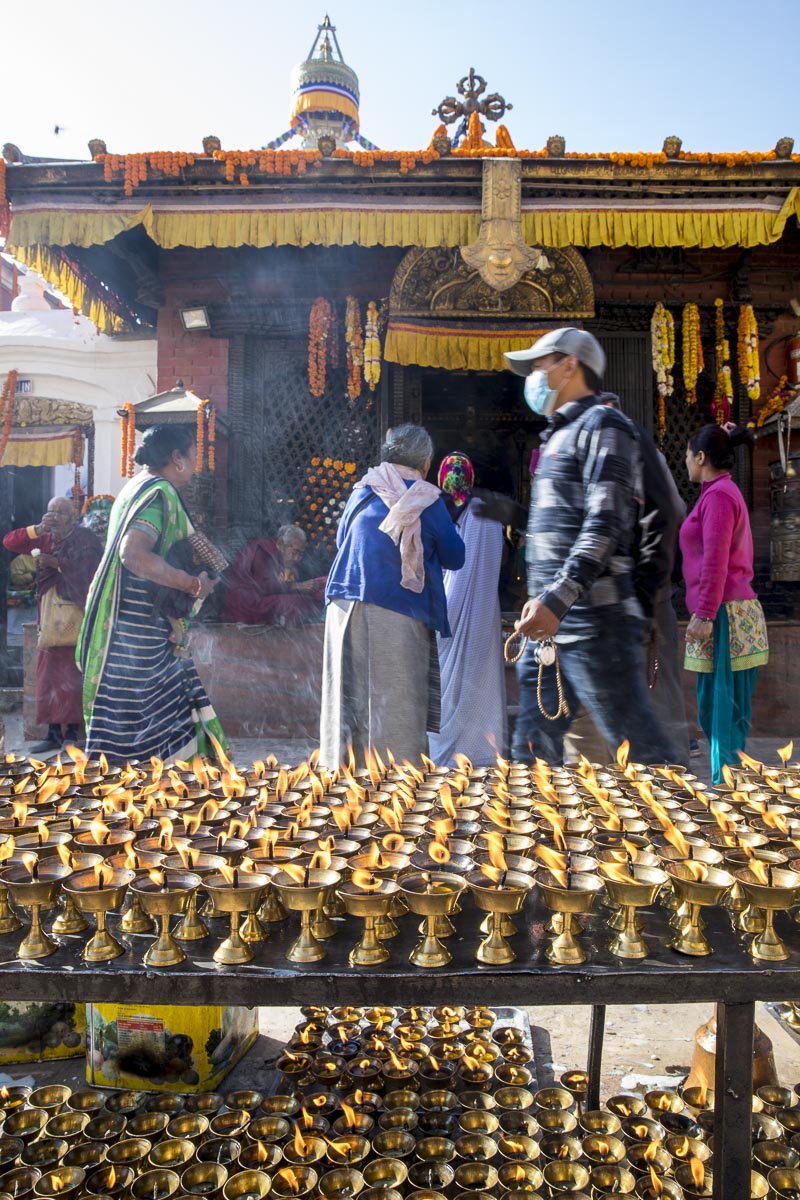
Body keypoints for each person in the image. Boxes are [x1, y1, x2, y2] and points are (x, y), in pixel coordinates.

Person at [503, 327, 675, 766]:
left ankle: (677, 829)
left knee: (640, 754)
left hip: (596, 625)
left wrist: (556, 601)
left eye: (542, 364)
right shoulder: (558, 434)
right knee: (530, 750)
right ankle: (534, 833)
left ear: (569, 365)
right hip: (552, 631)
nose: (537, 375)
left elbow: (604, 525)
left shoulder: (605, 425)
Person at [78, 423, 228, 764]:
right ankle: (159, 803)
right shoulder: (158, 493)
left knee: (135, 728)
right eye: (192, 456)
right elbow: (134, 555)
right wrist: (191, 584)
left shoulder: (137, 487)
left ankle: (135, 800)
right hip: (137, 634)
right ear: (176, 458)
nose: (195, 465)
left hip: (128, 629)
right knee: (155, 729)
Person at [320, 424, 465, 769]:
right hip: (397, 608)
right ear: (426, 463)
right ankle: (396, 794)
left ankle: (341, 785)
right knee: (396, 704)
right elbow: (455, 557)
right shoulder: (427, 499)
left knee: (347, 702)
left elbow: (343, 540)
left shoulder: (363, 490)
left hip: (342, 604)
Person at [681, 423, 767, 784]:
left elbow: (715, 560)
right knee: (720, 712)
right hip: (729, 611)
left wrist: (704, 613)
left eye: (688, 455)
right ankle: (732, 790)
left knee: (721, 713)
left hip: (724, 615)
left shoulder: (718, 497)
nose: (686, 462)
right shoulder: (718, 492)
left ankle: (729, 796)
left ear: (701, 457)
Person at [3, 496, 103, 753]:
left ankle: (71, 732)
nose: (55, 517)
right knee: (48, 677)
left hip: (74, 617)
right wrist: (37, 528)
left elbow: (91, 571)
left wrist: (56, 563)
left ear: (73, 516)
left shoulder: (85, 538)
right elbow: (10, 542)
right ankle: (51, 733)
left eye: (61, 512)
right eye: (51, 512)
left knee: (71, 675)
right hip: (48, 619)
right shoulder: (46, 537)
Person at [428, 452, 507, 766]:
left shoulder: (443, 512)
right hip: (485, 612)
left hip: (451, 608)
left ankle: (449, 750)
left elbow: (449, 572)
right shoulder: (488, 513)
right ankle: (480, 748)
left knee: (449, 680)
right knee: (480, 673)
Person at [226, 524, 326, 626]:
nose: (296, 559)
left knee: (319, 589)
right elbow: (262, 586)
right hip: (247, 604)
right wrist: (296, 586)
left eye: (300, 554)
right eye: (294, 552)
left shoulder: (283, 558)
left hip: (263, 599)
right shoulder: (263, 551)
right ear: (281, 544)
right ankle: (290, 634)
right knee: (297, 602)